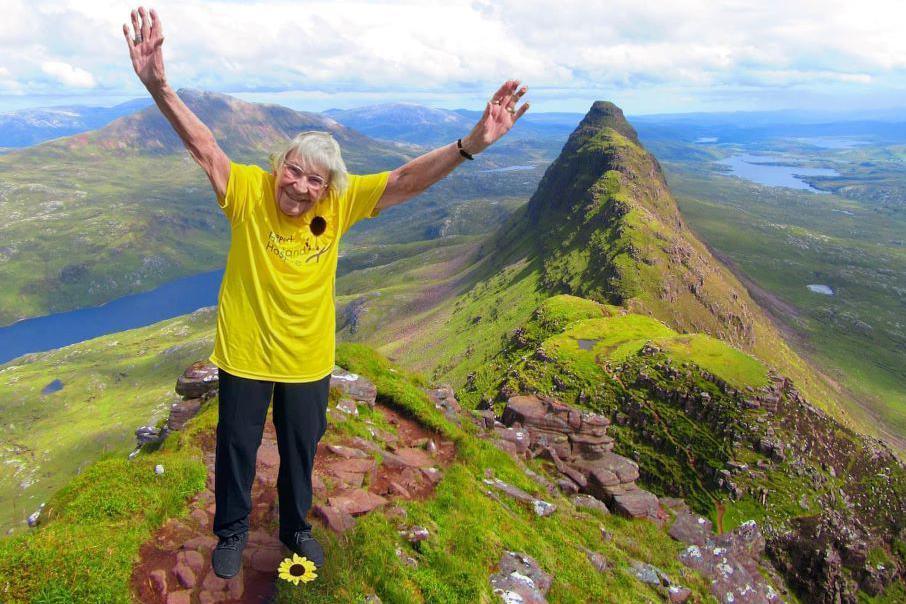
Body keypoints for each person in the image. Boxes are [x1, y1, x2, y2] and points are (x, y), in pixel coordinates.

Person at [124, 6, 529, 579]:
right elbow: (205, 144)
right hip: (245, 352)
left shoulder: (340, 204)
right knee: (237, 447)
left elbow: (403, 180)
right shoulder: (247, 190)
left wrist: (471, 145)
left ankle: (294, 528)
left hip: (308, 358)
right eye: (294, 170)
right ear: (279, 166)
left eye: (315, 179)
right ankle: (233, 530)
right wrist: (159, 86)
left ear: (328, 189)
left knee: (300, 451)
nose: (300, 185)